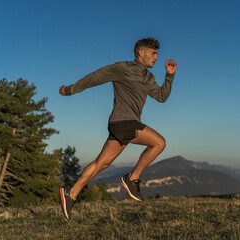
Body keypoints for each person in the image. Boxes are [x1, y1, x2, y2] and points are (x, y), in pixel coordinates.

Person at [59, 37, 177, 219]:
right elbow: (95, 77)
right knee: (159, 143)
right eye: (153, 53)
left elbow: (161, 97)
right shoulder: (123, 68)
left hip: (122, 125)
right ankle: (132, 179)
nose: (156, 58)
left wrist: (169, 76)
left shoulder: (149, 77)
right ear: (141, 53)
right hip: (123, 122)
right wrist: (70, 90)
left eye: (157, 54)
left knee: (102, 163)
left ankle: (71, 194)